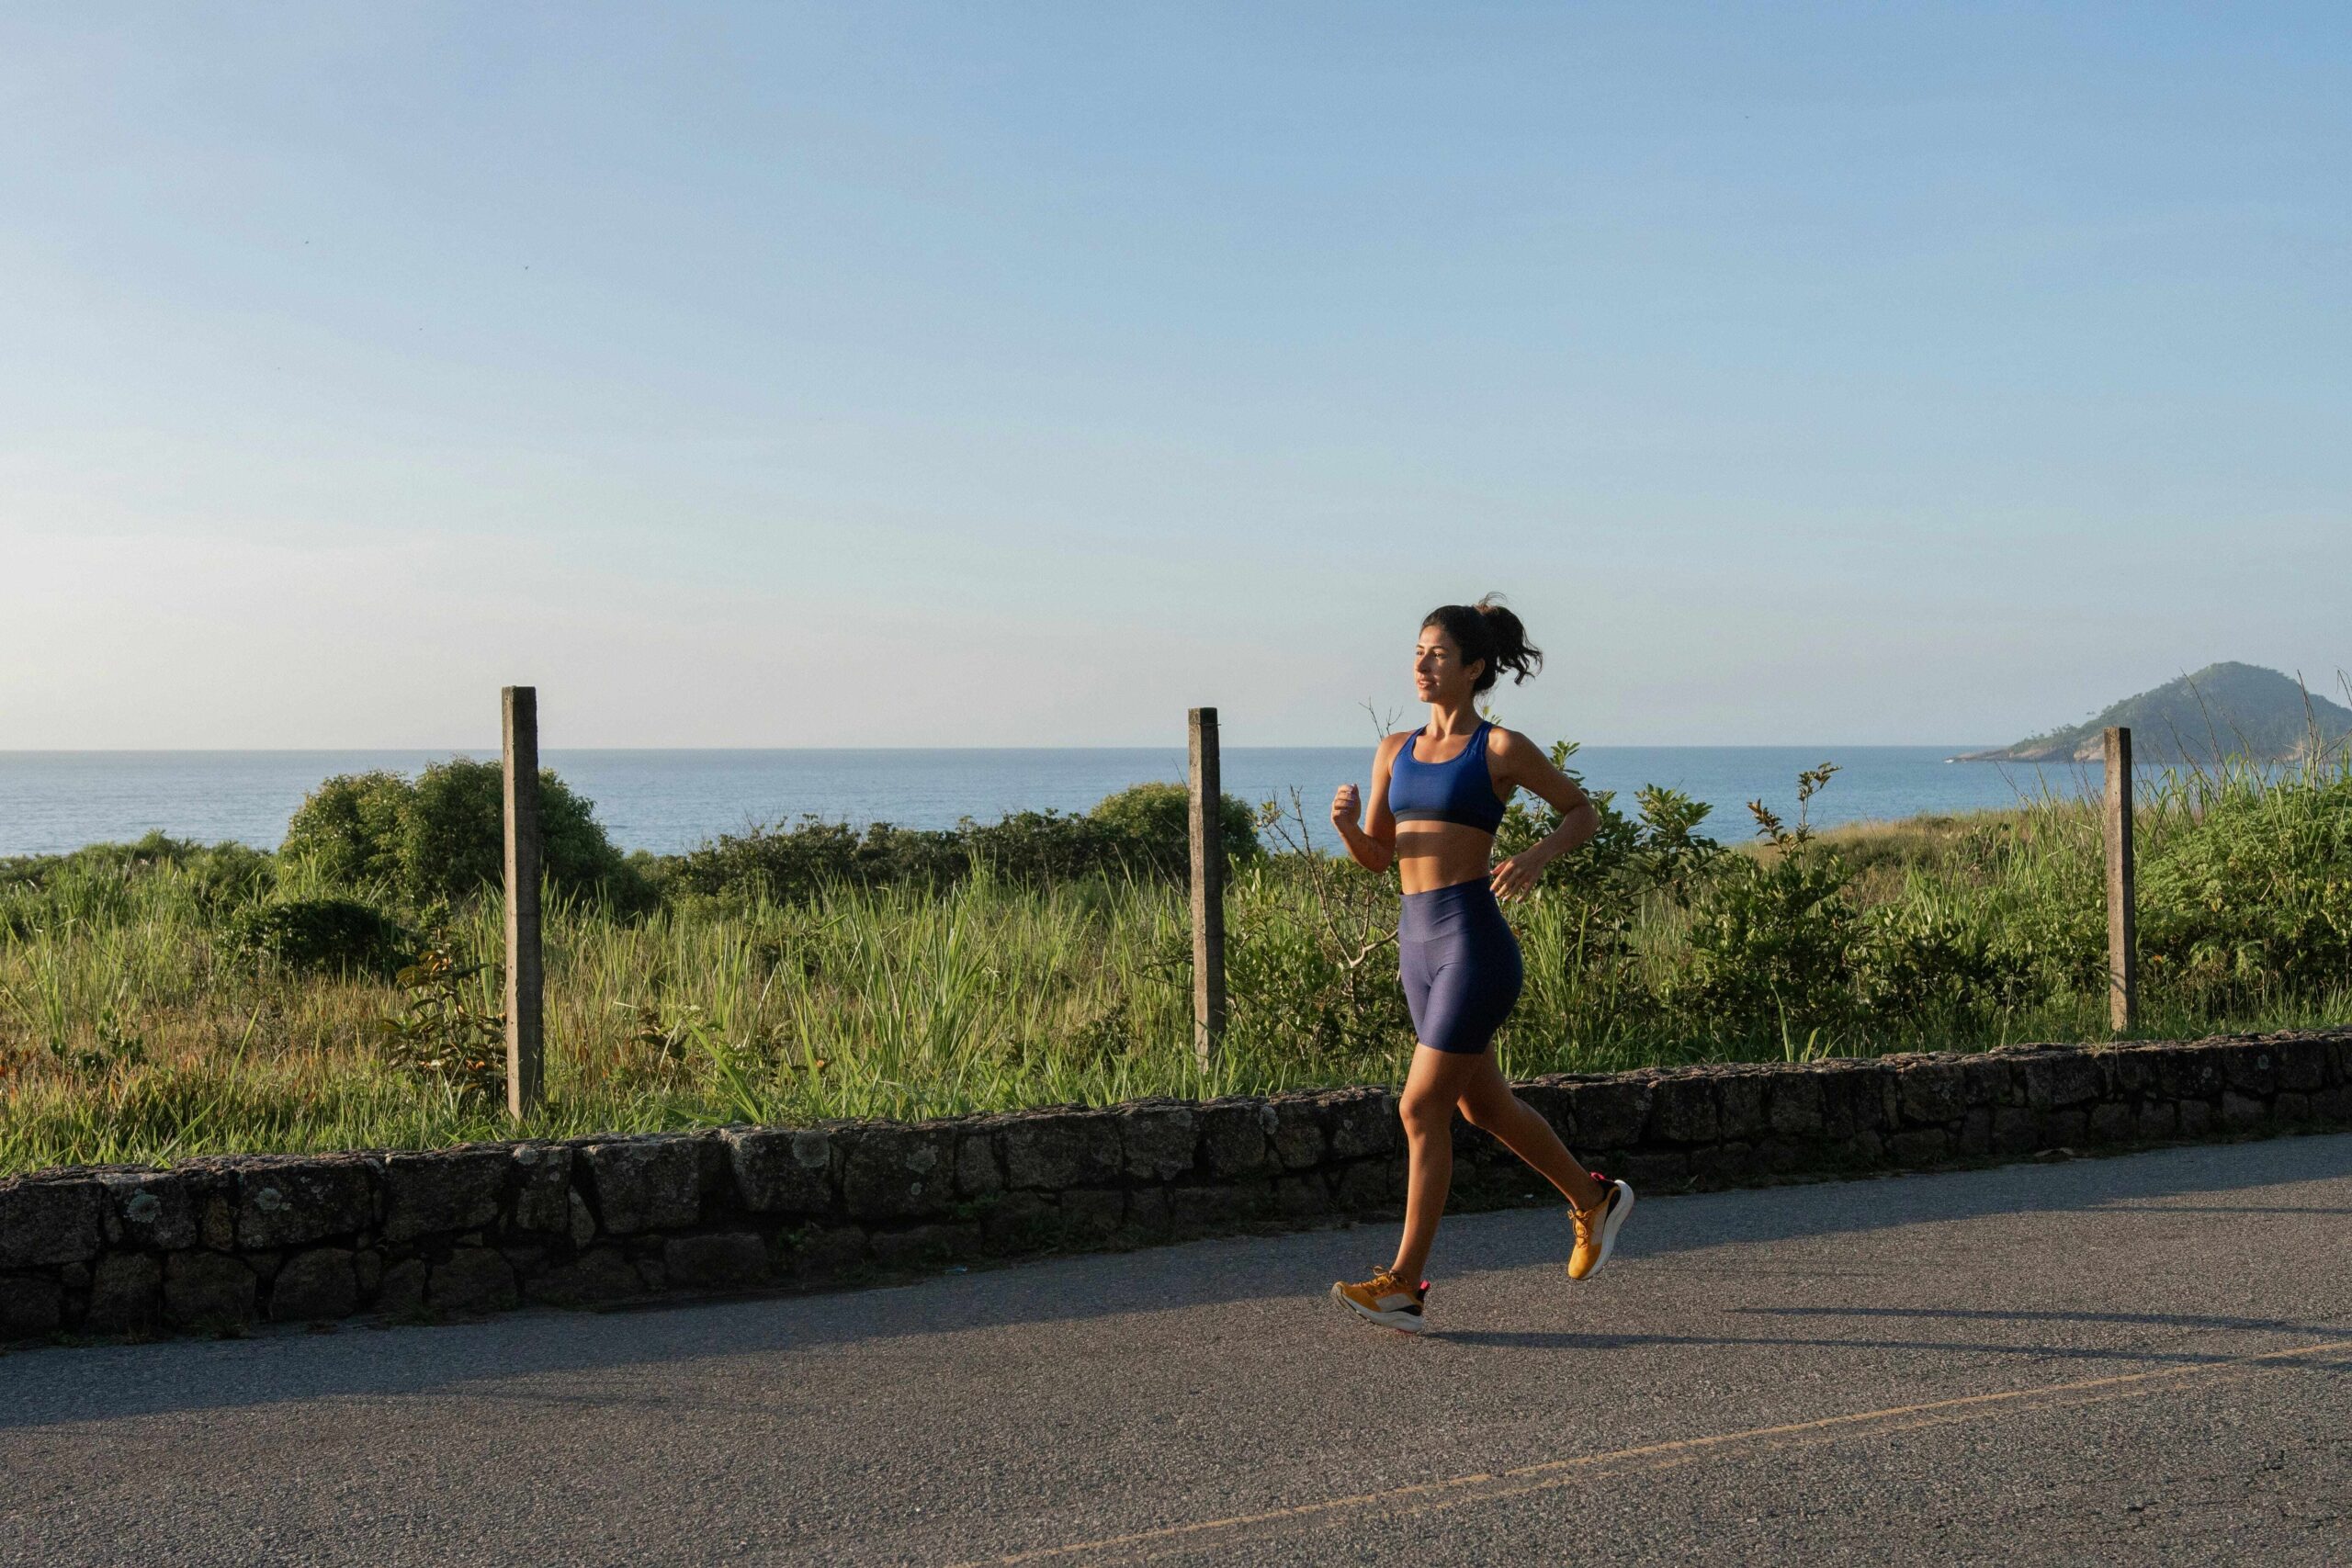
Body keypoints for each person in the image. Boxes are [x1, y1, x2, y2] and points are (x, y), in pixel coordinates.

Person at [1328, 597, 1635, 1332]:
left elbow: (1581, 812)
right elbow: (1379, 857)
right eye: (1417, 651)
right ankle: (1594, 1201)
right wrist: (1345, 827)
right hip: (1417, 947)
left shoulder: (1498, 749)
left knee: (1419, 1106)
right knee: (1481, 1105)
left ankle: (1405, 1283)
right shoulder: (1393, 750)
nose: (1422, 664)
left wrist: (1535, 854)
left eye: (1437, 654)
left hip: (1472, 944)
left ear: (1474, 668)